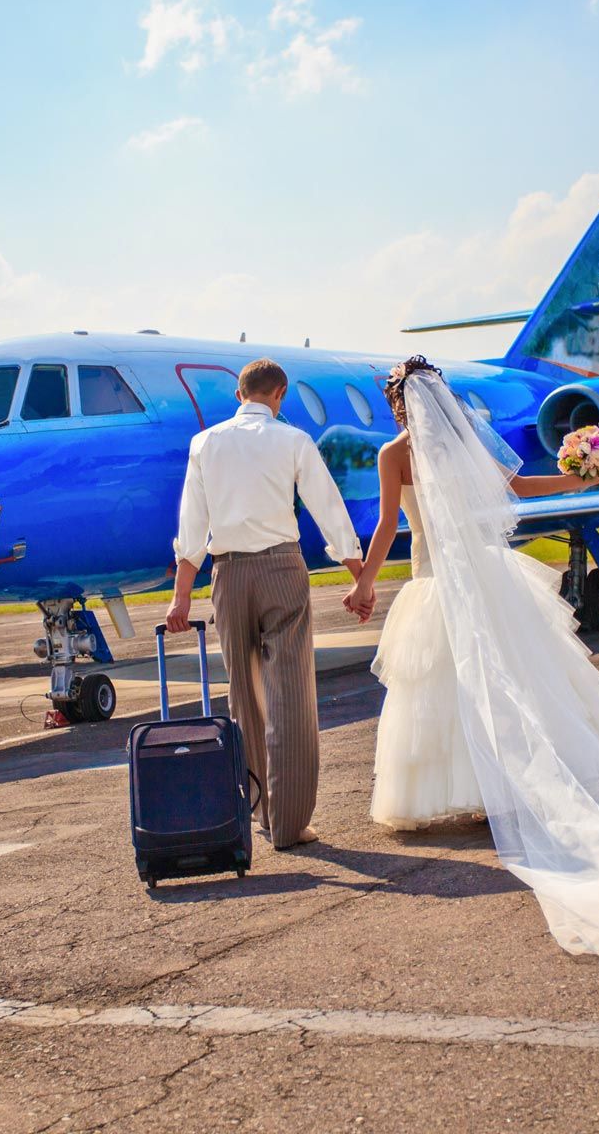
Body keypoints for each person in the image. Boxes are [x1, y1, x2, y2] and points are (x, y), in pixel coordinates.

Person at [343, 356, 599, 958]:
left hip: (436, 580)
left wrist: (366, 583)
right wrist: (574, 482)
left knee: (447, 688)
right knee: (522, 675)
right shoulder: (466, 442)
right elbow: (516, 489)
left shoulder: (392, 456)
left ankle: (478, 791)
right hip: (490, 575)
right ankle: (508, 788)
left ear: (397, 404)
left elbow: (383, 527)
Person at [167, 358, 365, 850]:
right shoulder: (293, 440)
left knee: (244, 695)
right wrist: (357, 573)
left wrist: (180, 599)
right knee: (290, 695)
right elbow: (327, 505)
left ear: (239, 395)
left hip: (229, 575)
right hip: (281, 569)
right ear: (278, 395)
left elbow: (192, 525)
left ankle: (261, 811)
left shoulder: (204, 443)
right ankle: (291, 823)